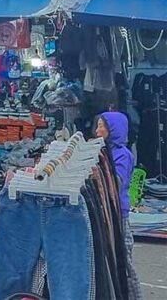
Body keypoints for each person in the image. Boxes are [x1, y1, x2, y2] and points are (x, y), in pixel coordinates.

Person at [96, 112, 142, 298]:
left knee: (124, 258)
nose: (97, 130)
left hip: (118, 213)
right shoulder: (104, 152)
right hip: (107, 209)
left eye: (101, 126)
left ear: (113, 130)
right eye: (98, 125)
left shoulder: (123, 155)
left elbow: (117, 182)